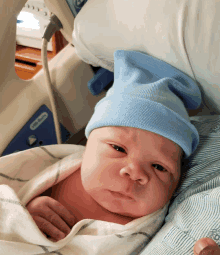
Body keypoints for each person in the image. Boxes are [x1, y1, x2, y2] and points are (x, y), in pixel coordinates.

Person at [26, 50, 218, 253]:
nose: (135, 172)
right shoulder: (52, 168)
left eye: (158, 167)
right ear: (88, 144)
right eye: (118, 148)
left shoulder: (156, 228)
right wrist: (23, 215)